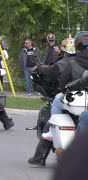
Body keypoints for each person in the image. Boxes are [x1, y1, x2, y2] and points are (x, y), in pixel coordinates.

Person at [27, 31, 88, 167]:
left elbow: (59, 81)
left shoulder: (70, 62)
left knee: (54, 111)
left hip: (73, 98)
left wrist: (66, 88)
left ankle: (40, 156)